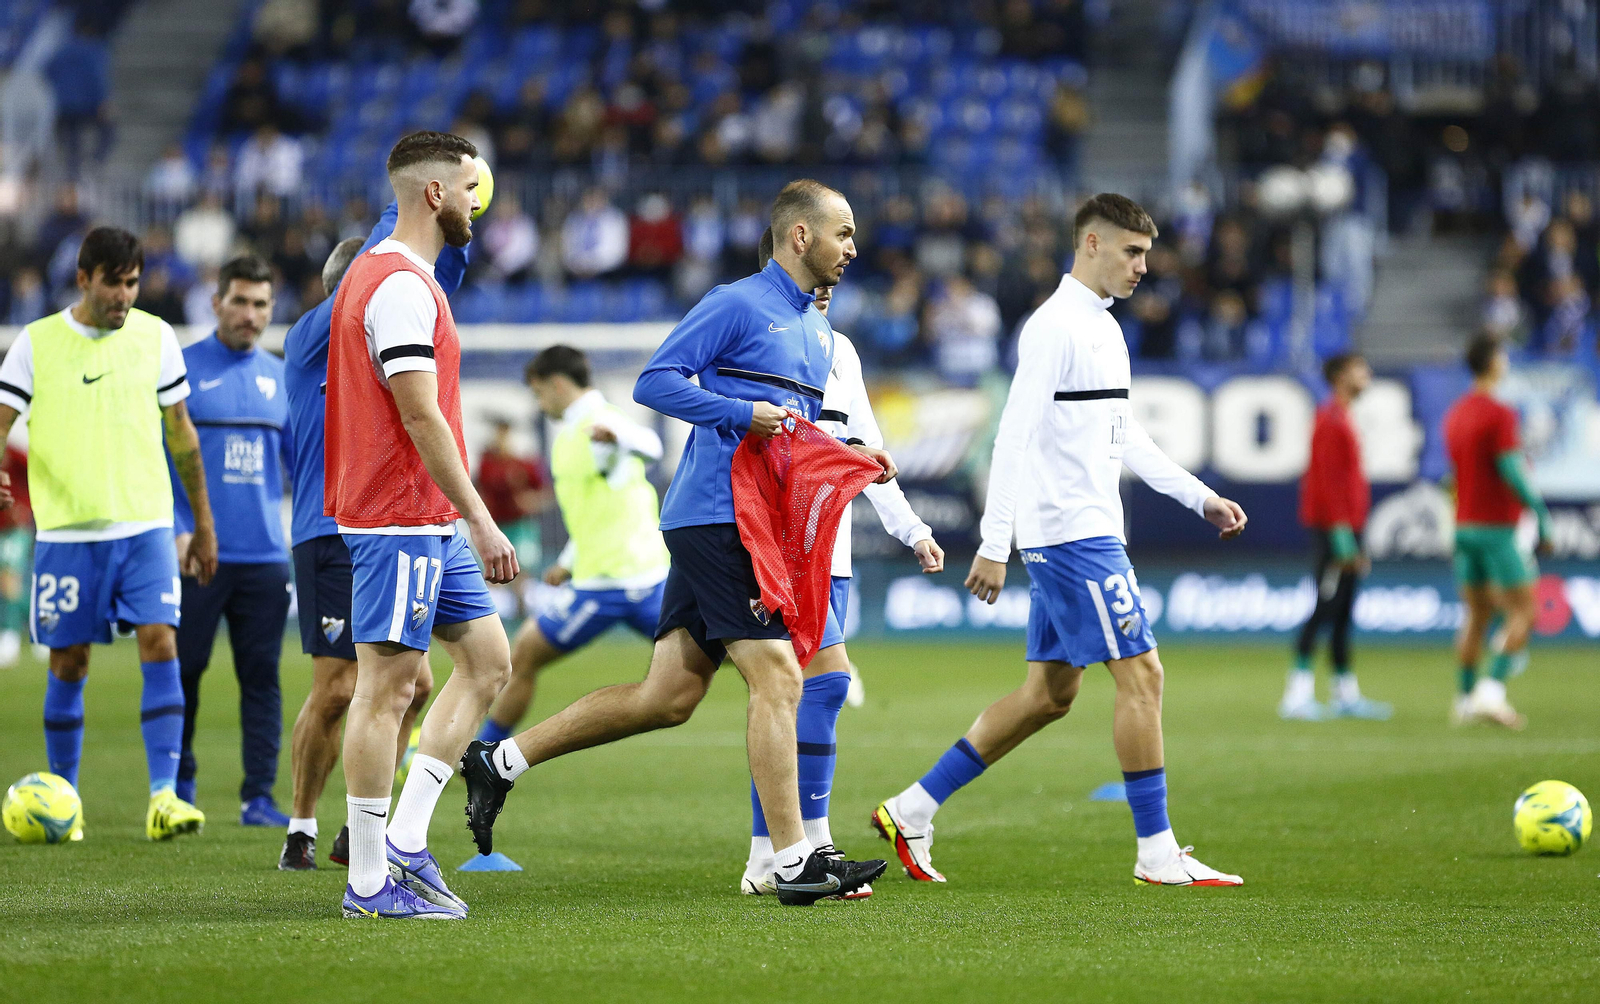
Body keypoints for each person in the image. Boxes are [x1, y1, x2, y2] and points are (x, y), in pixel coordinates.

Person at [461, 179, 892, 906]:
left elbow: (787, 434)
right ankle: (791, 861)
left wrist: (850, 458)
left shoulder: (819, 333)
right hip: (716, 516)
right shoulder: (736, 302)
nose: (853, 247)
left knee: (668, 697)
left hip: (754, 523)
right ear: (799, 237)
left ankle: (500, 760)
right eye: (843, 232)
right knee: (783, 677)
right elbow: (656, 383)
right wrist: (736, 411)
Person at [871, 194, 1249, 888]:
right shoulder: (1054, 328)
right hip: (1070, 534)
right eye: (1132, 253)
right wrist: (995, 540)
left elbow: (1124, 432)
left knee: (1048, 695)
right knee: (1144, 676)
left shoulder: (1105, 328)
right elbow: (1011, 432)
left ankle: (911, 808)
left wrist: (1199, 497)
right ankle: (1157, 852)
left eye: (1147, 253)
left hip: (1083, 529)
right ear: (1092, 244)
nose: (1144, 266)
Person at [326, 131, 515, 920]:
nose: (480, 200)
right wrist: (480, 516)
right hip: (401, 517)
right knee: (386, 689)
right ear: (435, 193)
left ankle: (405, 839)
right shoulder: (399, 287)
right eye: (471, 187)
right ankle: (368, 883)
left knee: (487, 661)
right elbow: (418, 413)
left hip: (424, 516)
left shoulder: (403, 279)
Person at [737, 229, 944, 898]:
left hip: (835, 553)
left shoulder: (841, 352)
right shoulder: (750, 341)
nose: (821, 297)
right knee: (807, 688)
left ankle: (772, 854)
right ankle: (801, 847)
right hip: (774, 546)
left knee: (797, 696)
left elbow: (867, 454)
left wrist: (912, 529)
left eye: (829, 290)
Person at [0, 226, 219, 841]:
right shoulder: (35, 344)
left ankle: (164, 798)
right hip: (68, 533)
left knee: (160, 642)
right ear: (83, 278)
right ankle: (63, 800)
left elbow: (181, 433)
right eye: (113, 284)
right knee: (69, 662)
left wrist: (202, 523)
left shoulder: (156, 337)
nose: (124, 296)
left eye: (132, 283)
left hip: (146, 524)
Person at [278, 207, 469, 872]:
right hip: (328, 530)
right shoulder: (315, 333)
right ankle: (300, 826)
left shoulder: (384, 322)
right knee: (336, 688)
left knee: (413, 686)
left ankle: (364, 829)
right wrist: (426, 200)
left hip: (379, 526)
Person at [476, 345, 668, 743]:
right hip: (644, 577)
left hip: (608, 584)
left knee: (523, 657)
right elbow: (600, 509)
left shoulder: (601, 424)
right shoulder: (576, 433)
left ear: (558, 384)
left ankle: (482, 750)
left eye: (539, 391)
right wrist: (568, 559)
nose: (539, 402)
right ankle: (802, 680)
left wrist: (619, 436)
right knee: (725, 648)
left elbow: (652, 446)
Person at [168, 256, 294, 825]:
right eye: (240, 301)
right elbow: (161, 461)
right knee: (184, 670)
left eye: (261, 304)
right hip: (195, 553)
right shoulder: (181, 369)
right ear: (216, 303)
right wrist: (177, 529)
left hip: (266, 556)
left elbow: (299, 468)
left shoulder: (281, 378)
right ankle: (177, 784)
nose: (250, 314)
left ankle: (258, 797)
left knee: (261, 678)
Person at [1442, 334, 1550, 730]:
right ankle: (1491, 694)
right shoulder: (1500, 413)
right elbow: (1510, 468)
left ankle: (1464, 700)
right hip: (1497, 527)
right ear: (1493, 363)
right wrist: (1539, 511)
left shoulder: (1455, 413)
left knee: (1477, 612)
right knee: (1526, 611)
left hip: (1464, 525)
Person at [1280, 352, 1391, 721]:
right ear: (1343, 376)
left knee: (1343, 611)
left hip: (1347, 529)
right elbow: (1327, 484)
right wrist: (1343, 540)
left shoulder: (1341, 417)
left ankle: (1345, 693)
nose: (1368, 375)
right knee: (1325, 608)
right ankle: (1296, 694)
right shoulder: (1330, 419)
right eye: (1362, 369)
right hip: (1334, 531)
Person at [474, 415, 549, 602]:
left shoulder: (523, 463)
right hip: (495, 524)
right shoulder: (487, 464)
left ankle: (521, 609)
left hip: (520, 524)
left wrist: (532, 501)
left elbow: (544, 493)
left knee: (521, 569)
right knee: (492, 570)